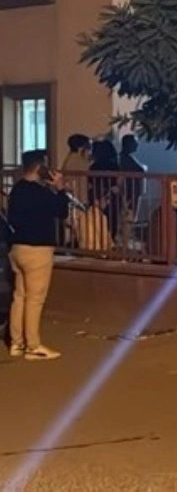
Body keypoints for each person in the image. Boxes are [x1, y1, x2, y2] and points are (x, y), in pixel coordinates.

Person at [6, 150, 73, 361]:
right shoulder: (42, 193)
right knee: (35, 299)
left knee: (19, 296)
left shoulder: (17, 189)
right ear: (39, 167)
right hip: (38, 250)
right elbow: (62, 212)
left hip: (17, 248)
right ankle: (33, 346)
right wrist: (60, 189)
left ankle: (16, 343)